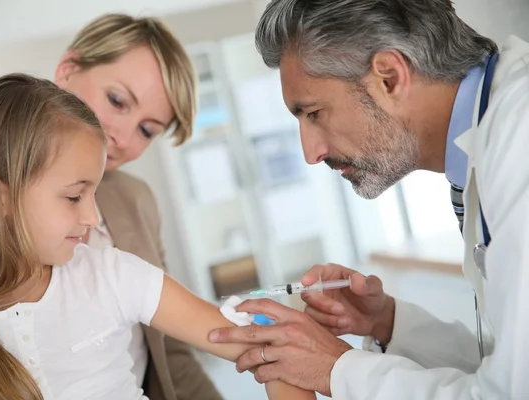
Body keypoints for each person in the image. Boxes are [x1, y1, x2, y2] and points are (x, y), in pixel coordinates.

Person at [207, 0, 529, 399]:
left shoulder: (521, 147)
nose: (311, 153)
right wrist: (388, 323)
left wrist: (335, 369)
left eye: (313, 113)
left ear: (389, 78)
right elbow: (505, 369)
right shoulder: (489, 144)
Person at [0, 73, 315, 400]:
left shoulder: (113, 275)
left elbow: (266, 350)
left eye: (94, 193)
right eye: (74, 196)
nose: (92, 216)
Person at [0, 14, 221, 400]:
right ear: (67, 71)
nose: (120, 134)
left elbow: (171, 351)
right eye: (117, 101)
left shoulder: (135, 201)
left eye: (147, 130)